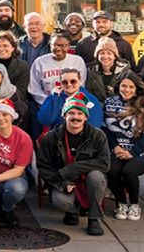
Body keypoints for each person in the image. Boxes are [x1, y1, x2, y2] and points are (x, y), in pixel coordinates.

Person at [35, 96, 110, 236]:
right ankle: (73, 211)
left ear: (86, 117)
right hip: (63, 179)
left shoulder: (98, 135)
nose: (75, 117)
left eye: (80, 113)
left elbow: (104, 163)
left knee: (97, 177)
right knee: (60, 200)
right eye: (71, 113)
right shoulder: (51, 137)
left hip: (88, 179)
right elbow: (43, 166)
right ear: (64, 116)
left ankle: (94, 218)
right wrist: (61, 183)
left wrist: (73, 168)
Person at [102, 73, 144, 221]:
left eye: (130, 87)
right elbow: (105, 130)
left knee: (128, 171)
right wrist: (115, 147)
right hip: (117, 149)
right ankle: (122, 203)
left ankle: (134, 204)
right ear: (118, 86)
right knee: (112, 170)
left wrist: (132, 152)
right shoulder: (109, 102)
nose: (126, 89)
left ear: (137, 89)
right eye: (123, 86)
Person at [28, 31, 87, 110]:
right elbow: (34, 88)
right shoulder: (39, 62)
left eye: (62, 45)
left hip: (72, 106)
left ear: (69, 46)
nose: (58, 48)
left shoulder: (77, 61)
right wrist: (50, 103)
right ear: (50, 45)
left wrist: (69, 103)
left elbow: (81, 84)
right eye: (55, 45)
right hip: (47, 106)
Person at [36, 68, 104, 132]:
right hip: (59, 138)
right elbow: (45, 120)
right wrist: (54, 97)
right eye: (65, 82)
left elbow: (95, 125)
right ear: (60, 83)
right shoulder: (54, 97)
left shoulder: (90, 99)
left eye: (73, 81)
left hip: (84, 139)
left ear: (79, 81)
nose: (69, 85)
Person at [0, 30, 31, 107]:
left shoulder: (22, 66)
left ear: (13, 48)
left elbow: (21, 92)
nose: (1, 49)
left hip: (14, 104)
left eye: (5, 45)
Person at [86, 37, 132, 102]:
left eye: (109, 53)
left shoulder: (126, 73)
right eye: (102, 53)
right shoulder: (92, 73)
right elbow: (89, 95)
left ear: (115, 56)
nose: (105, 56)